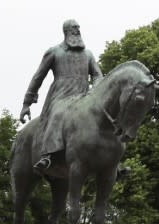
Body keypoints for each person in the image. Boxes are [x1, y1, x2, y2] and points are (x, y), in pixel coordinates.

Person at [19, 19, 103, 175]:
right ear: (66, 31)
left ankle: (111, 162)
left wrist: (96, 89)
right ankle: (48, 155)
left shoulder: (88, 54)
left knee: (103, 117)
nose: (77, 31)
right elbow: (38, 77)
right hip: (61, 96)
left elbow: (98, 75)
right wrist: (27, 103)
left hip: (84, 97)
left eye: (78, 28)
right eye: (73, 28)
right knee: (58, 114)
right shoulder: (54, 52)